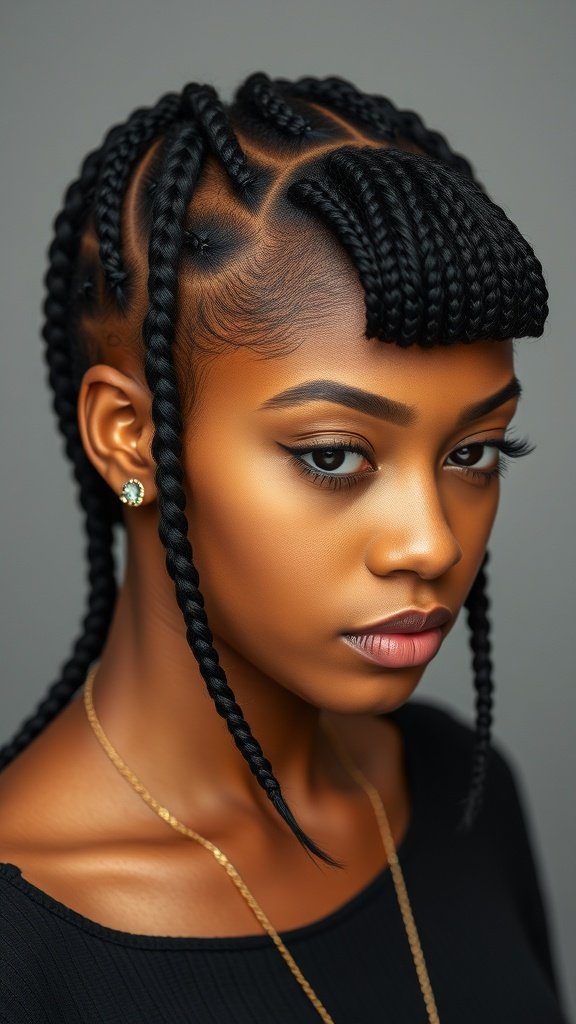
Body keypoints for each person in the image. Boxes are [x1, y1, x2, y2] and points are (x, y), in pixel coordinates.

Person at [0, 72, 568, 1023]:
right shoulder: (22, 941)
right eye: (335, 455)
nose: (431, 542)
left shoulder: (460, 794)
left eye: (474, 452)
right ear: (129, 438)